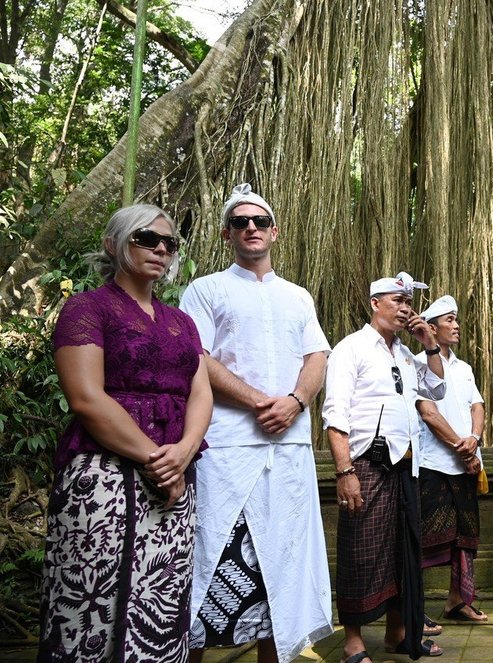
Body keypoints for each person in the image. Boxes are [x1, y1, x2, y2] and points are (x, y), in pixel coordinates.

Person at [37, 205, 212, 662]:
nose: (160, 249)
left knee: (162, 598)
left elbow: (201, 394)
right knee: (92, 600)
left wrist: (184, 453)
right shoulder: (87, 308)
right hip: (104, 476)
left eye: (169, 243)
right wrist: (160, 459)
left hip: (176, 477)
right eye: (146, 238)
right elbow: (86, 398)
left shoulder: (183, 323)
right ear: (113, 245)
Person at [180, 184, 333, 663]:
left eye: (260, 221)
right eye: (241, 222)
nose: (251, 227)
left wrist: (295, 400)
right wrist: (257, 402)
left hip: (289, 451)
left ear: (275, 231)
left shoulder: (298, 296)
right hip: (226, 450)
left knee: (283, 570)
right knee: (210, 563)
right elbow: (196, 356)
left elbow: (317, 355)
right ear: (226, 233)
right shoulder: (206, 289)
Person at [322, 272, 446, 663]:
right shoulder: (351, 348)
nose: (406, 308)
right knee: (361, 549)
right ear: (375, 303)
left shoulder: (407, 356)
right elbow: (334, 414)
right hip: (367, 465)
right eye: (397, 300)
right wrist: (345, 472)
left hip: (407, 468)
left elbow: (438, 390)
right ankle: (353, 641)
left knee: (404, 552)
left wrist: (429, 345)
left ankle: (398, 633)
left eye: (409, 302)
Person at [415, 295, 488, 628]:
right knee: (427, 537)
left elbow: (477, 406)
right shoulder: (417, 364)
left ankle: (458, 601)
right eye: (449, 320)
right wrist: (462, 445)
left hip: (466, 464)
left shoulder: (465, 368)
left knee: (465, 537)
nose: (456, 325)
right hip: (434, 464)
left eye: (456, 320)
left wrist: (474, 439)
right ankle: (412, 607)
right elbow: (428, 413)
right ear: (431, 328)